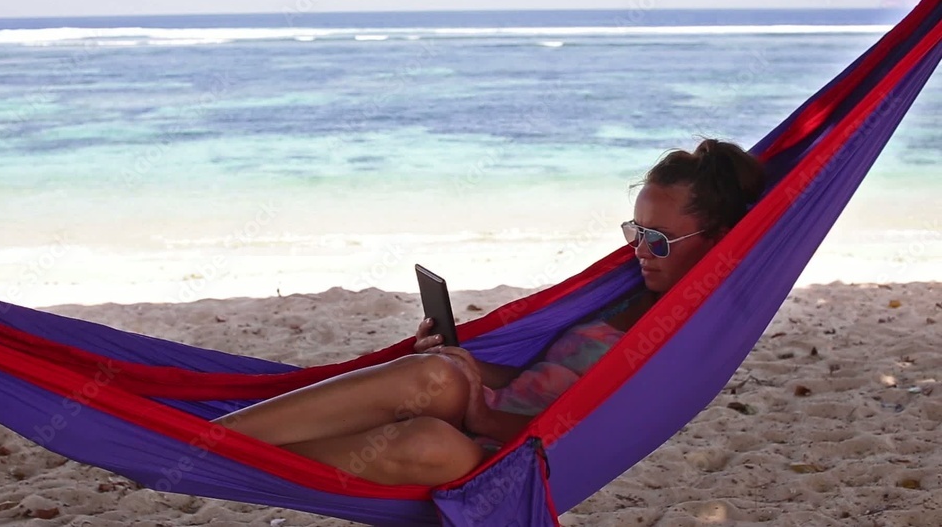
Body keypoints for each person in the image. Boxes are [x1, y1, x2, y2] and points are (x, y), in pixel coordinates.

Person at [211, 138, 766, 486]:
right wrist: (470, 365)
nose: (640, 251)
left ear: (718, 239)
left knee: (429, 441)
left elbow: (597, 436)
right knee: (436, 371)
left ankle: (224, 456)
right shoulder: (625, 293)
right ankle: (211, 439)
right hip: (489, 414)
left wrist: (482, 418)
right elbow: (538, 378)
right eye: (635, 231)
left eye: (659, 240)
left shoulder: (688, 341)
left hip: (518, 457)